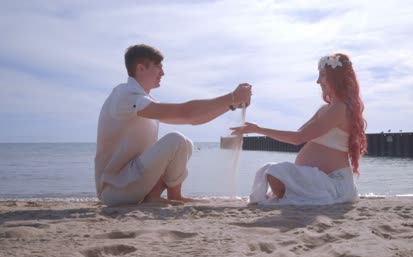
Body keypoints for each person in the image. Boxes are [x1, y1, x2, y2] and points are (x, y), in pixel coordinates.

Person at [95, 44, 252, 206]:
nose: (163, 73)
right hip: (115, 190)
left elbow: (193, 120)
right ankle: (160, 196)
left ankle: (171, 196)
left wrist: (232, 104)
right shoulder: (126, 95)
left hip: (128, 183)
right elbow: (186, 113)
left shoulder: (142, 100)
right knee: (176, 140)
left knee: (185, 143)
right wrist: (232, 97)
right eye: (158, 67)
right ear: (140, 68)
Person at [231, 53, 366, 205]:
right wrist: (258, 129)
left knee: (273, 172)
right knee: (270, 171)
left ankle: (288, 195)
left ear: (335, 77)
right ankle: (289, 194)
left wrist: (259, 130)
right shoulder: (326, 109)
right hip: (320, 181)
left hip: (333, 184)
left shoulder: (339, 108)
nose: (317, 82)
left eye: (322, 75)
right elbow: (298, 135)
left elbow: (298, 138)